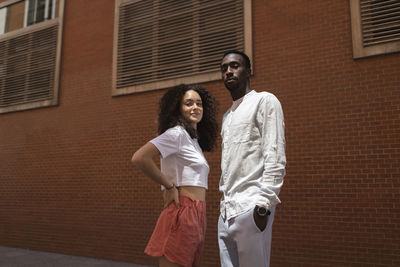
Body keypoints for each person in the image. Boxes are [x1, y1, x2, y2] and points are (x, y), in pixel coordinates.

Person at [131, 84, 218, 267]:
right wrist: (169, 186)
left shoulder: (192, 139)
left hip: (197, 212)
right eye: (188, 103)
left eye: (199, 103)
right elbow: (140, 157)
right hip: (182, 210)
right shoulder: (176, 134)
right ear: (178, 108)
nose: (195, 107)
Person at [218, 50, 286, 267]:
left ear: (249, 71)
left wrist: (263, 205)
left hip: (252, 208)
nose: (229, 71)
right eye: (224, 68)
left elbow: (275, 154)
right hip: (226, 212)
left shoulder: (264, 101)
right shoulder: (227, 117)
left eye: (235, 66)